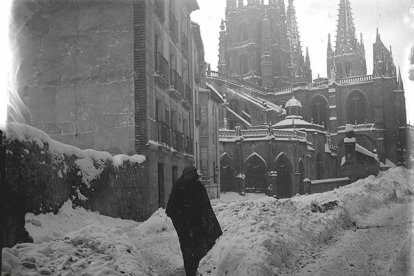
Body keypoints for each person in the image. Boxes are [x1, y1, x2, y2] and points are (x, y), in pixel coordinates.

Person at [166, 166, 222, 276]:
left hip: (196, 225)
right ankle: (191, 271)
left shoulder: (196, 186)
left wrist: (202, 223)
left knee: (196, 249)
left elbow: (205, 208)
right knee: (189, 250)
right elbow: (172, 209)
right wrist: (184, 224)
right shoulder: (180, 186)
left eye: (190, 174)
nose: (188, 176)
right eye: (187, 174)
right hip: (185, 225)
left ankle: (193, 269)